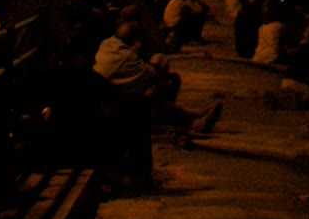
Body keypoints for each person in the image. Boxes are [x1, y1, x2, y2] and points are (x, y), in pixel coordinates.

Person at [94, 20, 223, 136]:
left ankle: (193, 115)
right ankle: (190, 123)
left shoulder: (107, 44)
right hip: (112, 107)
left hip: (107, 99)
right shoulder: (126, 58)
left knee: (151, 92)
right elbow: (152, 74)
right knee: (154, 91)